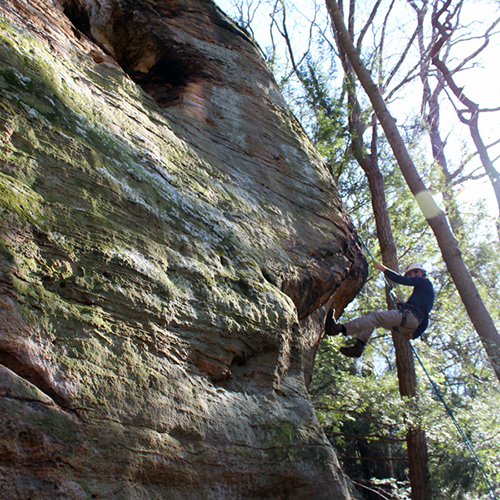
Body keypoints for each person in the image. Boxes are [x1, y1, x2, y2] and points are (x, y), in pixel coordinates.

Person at [324, 261, 435, 358]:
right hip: (409, 325)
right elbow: (426, 319)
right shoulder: (424, 294)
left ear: (419, 273)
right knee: (372, 319)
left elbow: (399, 279)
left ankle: (339, 329)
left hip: (408, 317)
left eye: (411, 274)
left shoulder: (424, 282)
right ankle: (359, 346)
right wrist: (413, 334)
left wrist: (382, 268)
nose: (410, 278)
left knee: (373, 316)